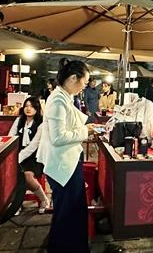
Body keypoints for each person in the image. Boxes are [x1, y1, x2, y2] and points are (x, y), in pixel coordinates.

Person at [37, 59, 96, 253]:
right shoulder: (57, 99)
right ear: (73, 78)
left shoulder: (65, 97)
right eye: (84, 82)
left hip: (69, 161)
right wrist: (85, 132)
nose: (84, 86)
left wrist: (86, 128)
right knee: (66, 212)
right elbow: (58, 136)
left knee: (74, 209)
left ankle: (74, 246)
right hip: (62, 164)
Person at [8, 96, 50, 213]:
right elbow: (11, 137)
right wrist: (11, 157)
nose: (28, 109)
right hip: (18, 153)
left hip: (36, 156)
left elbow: (33, 146)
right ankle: (17, 203)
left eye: (31, 106)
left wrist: (17, 159)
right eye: (26, 106)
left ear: (37, 108)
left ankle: (44, 199)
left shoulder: (41, 124)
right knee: (10, 174)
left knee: (26, 176)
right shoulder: (19, 120)